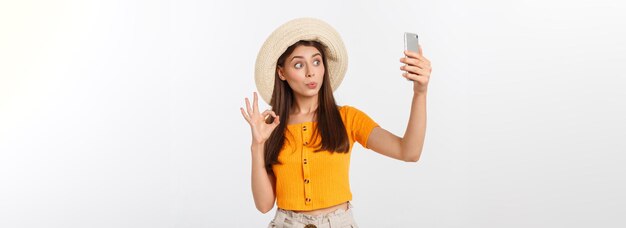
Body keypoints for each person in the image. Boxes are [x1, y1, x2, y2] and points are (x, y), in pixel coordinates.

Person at [240, 18, 431, 228]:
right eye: (298, 64)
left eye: (316, 61)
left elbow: (409, 151)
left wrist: (420, 93)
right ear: (282, 73)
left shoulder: (348, 118)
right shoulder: (271, 128)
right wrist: (257, 144)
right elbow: (264, 204)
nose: (310, 72)